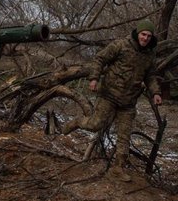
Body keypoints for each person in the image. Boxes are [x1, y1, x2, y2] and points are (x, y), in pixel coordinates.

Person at [62, 19, 162, 182]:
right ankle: (75, 122)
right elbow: (100, 59)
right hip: (109, 94)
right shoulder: (121, 45)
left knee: (124, 137)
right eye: (143, 34)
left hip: (128, 102)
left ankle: (118, 168)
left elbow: (150, 76)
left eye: (149, 36)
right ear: (138, 33)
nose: (145, 38)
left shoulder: (149, 55)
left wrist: (155, 92)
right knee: (95, 125)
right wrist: (94, 78)